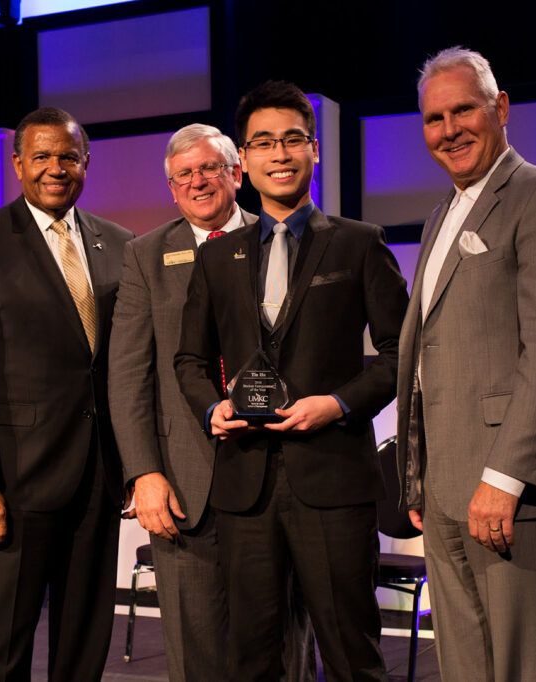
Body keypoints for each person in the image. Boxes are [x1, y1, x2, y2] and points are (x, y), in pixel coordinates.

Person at [174, 81, 408, 682]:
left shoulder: (359, 243)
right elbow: (189, 363)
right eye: (264, 143)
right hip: (245, 485)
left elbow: (400, 355)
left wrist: (336, 403)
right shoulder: (217, 256)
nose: (279, 154)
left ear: (314, 150)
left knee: (351, 652)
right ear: (243, 160)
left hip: (333, 477)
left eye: (292, 140)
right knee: (252, 657)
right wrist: (210, 411)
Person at [396, 46, 536, 681]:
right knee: (466, 670)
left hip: (513, 491)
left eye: (464, 110)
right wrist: (420, 474)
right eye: (435, 118)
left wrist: (505, 478)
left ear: (501, 108)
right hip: (448, 489)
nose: (450, 130)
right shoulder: (438, 218)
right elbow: (434, 355)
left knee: (527, 668)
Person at [0, 106, 134, 681]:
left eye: (67, 157)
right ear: (18, 164)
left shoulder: (120, 244)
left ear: (86, 164)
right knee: (4, 646)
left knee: (84, 639)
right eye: (41, 157)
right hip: (13, 484)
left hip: (97, 477)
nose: (55, 168)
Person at [109, 123, 315, 682]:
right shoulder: (146, 256)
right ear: (171, 189)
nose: (197, 182)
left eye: (209, 168)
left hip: (279, 480)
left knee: (283, 644)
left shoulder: (285, 238)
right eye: (184, 176)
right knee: (197, 654)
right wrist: (144, 475)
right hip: (184, 486)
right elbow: (128, 377)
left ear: (236, 172)